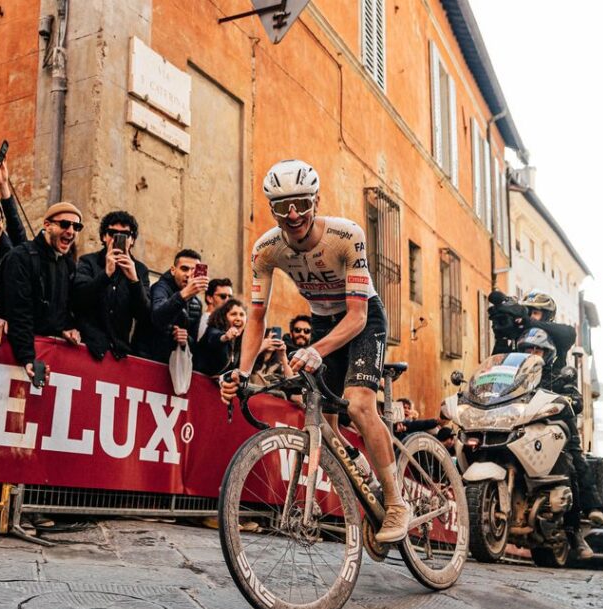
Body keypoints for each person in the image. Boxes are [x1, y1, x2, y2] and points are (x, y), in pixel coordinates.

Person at [219, 159, 411, 544]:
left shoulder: (346, 236)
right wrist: (241, 371)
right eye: (283, 207)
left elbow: (357, 316)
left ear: (316, 201)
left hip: (363, 317)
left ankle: (395, 502)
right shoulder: (266, 250)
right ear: (272, 210)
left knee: (358, 405)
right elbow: (255, 318)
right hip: (322, 319)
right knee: (324, 421)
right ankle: (365, 476)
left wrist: (316, 350)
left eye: (302, 204)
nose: (293, 215)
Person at [515, 328, 602, 559]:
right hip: (521, 430)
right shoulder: (517, 377)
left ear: (548, 353)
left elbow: (576, 399)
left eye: (537, 349)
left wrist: (571, 399)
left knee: (570, 466)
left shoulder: (557, 375)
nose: (532, 353)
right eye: (527, 349)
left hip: (556, 431)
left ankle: (574, 532)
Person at [0, 201, 82, 379]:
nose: (71, 231)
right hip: (12, 357)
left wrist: (67, 328)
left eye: (76, 226)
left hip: (41, 359)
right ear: (47, 225)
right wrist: (27, 357)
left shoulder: (68, 264)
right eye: (64, 224)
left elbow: (63, 309)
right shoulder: (20, 257)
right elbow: (19, 313)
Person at [71, 210, 151, 361]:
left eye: (125, 234)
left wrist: (134, 280)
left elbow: (144, 315)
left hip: (119, 353)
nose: (117, 238)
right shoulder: (88, 262)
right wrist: (106, 274)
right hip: (89, 349)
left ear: (132, 240)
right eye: (112, 233)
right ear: (104, 236)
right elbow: (78, 300)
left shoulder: (140, 270)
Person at [140, 250, 206, 363]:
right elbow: (157, 317)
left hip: (174, 365)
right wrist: (183, 295)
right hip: (148, 358)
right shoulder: (160, 288)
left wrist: (185, 340)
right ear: (173, 270)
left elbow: (194, 341)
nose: (189, 274)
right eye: (184, 269)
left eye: (194, 270)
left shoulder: (197, 303)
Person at [196, 298, 246, 375]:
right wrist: (225, 337)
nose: (238, 318)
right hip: (200, 381)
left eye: (242, 315)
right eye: (233, 314)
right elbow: (215, 338)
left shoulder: (240, 339)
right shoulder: (212, 330)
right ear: (223, 317)